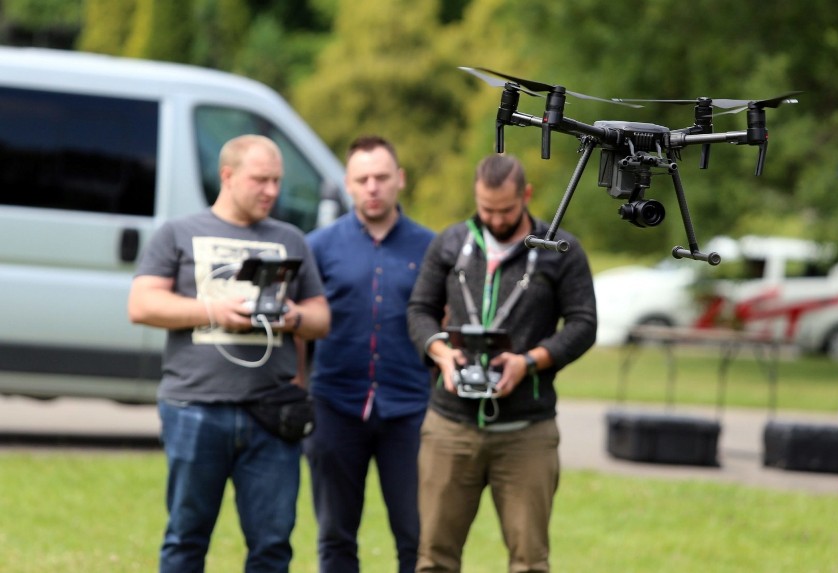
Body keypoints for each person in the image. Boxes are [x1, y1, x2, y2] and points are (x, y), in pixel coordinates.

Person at [127, 134, 330, 572]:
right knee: (186, 538)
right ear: (228, 175)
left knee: (273, 545)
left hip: (272, 414)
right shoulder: (180, 233)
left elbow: (321, 318)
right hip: (196, 408)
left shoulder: (291, 239)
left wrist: (289, 317)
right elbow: (141, 305)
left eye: (277, 180)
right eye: (261, 180)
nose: (272, 191)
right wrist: (214, 310)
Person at [407, 153, 597, 572]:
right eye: (485, 209)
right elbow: (419, 309)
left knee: (530, 562)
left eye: (506, 210)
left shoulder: (559, 250)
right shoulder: (451, 243)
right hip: (450, 427)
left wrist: (529, 362)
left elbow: (584, 324)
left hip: (526, 431)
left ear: (526, 196)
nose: (494, 219)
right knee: (434, 558)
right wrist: (441, 353)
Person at [302, 135, 435, 573]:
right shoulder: (317, 247)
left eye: (381, 177)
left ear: (401, 179)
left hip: (410, 409)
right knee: (336, 536)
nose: (372, 186)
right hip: (335, 407)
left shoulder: (433, 248)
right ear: (348, 185)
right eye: (363, 179)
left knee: (418, 538)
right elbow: (301, 326)